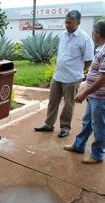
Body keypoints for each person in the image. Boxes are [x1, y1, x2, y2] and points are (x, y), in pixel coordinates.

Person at [34, 10, 94, 138]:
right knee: (52, 102)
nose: (67, 25)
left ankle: (65, 127)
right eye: (66, 22)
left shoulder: (85, 38)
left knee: (68, 104)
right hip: (58, 75)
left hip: (72, 78)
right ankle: (48, 125)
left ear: (78, 23)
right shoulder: (63, 35)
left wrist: (77, 71)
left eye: (70, 23)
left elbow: (88, 60)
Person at [64, 19, 105, 164]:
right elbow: (95, 74)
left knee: (99, 126)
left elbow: (102, 79)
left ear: (97, 33)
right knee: (87, 122)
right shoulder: (100, 48)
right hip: (94, 95)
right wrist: (86, 86)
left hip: (100, 97)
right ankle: (79, 145)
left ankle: (97, 155)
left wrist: (84, 93)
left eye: (94, 30)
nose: (92, 33)